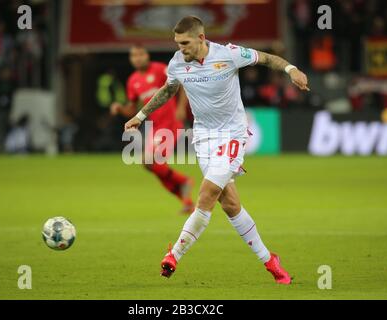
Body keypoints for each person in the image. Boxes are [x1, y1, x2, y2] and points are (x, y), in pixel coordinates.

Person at [124, 16, 309, 284]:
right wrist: (140, 117)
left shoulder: (229, 54)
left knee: (207, 193)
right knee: (230, 204)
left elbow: (267, 58)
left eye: (185, 43)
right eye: (177, 43)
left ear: (201, 38)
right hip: (203, 138)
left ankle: (174, 254)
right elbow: (167, 91)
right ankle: (270, 260)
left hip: (232, 134)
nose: (181, 48)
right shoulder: (177, 63)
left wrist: (291, 69)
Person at [112, 44, 195, 214]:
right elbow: (132, 109)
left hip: (170, 123)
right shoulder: (133, 81)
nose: (138, 58)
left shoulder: (159, 69)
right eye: (134, 55)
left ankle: (185, 181)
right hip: (155, 127)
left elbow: (181, 83)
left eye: (141, 54)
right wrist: (120, 109)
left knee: (150, 161)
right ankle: (186, 200)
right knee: (148, 164)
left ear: (147, 55)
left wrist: (181, 108)